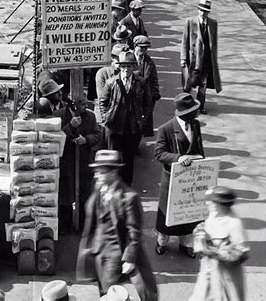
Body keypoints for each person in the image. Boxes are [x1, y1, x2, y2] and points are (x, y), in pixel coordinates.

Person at [76, 149, 158, 300]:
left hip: (115, 253)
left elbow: (134, 231)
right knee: (103, 288)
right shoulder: (98, 189)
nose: (96, 176)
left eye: (100, 172)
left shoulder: (129, 198)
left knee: (110, 292)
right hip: (99, 250)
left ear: (112, 173)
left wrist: (130, 258)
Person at [154, 93, 204, 258]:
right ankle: (162, 242)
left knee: (188, 214)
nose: (197, 113)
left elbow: (199, 148)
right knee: (168, 215)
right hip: (172, 180)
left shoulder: (195, 125)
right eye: (194, 110)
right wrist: (178, 158)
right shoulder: (166, 129)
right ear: (185, 113)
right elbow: (159, 154)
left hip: (191, 180)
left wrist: (202, 162)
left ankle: (186, 244)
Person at [99, 51, 151, 185]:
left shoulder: (141, 82)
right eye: (123, 66)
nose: (126, 69)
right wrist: (106, 117)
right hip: (115, 126)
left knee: (128, 159)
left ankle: (126, 186)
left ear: (133, 67)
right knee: (113, 158)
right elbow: (103, 101)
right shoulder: (111, 82)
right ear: (119, 67)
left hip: (132, 127)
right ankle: (113, 184)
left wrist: (143, 119)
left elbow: (147, 103)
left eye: (129, 66)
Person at [189, 187, 249, 301]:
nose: (207, 203)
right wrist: (200, 235)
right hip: (208, 269)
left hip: (225, 275)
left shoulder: (234, 223)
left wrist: (216, 251)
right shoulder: (212, 217)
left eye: (210, 201)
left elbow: (242, 253)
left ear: (219, 204)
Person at [53, 97, 101, 233]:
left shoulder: (90, 116)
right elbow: (55, 138)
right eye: (83, 104)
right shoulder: (59, 116)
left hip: (84, 161)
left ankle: (82, 225)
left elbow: (98, 134)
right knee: (65, 196)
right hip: (66, 162)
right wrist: (70, 127)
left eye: (86, 103)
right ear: (73, 105)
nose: (86, 106)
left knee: (84, 194)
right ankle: (65, 224)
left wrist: (86, 140)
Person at [181, 0, 222, 114]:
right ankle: (185, 105)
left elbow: (214, 44)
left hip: (206, 60)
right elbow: (184, 41)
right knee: (188, 84)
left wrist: (214, 59)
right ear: (198, 10)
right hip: (193, 61)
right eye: (201, 10)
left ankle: (200, 106)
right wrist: (183, 58)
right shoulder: (190, 22)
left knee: (203, 86)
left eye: (206, 11)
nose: (203, 13)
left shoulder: (213, 24)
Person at [133, 35, 160, 138]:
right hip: (132, 97)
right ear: (135, 46)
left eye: (146, 48)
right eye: (141, 47)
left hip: (145, 98)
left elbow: (154, 81)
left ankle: (137, 141)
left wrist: (153, 96)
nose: (143, 50)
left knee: (143, 122)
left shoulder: (149, 63)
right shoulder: (128, 59)